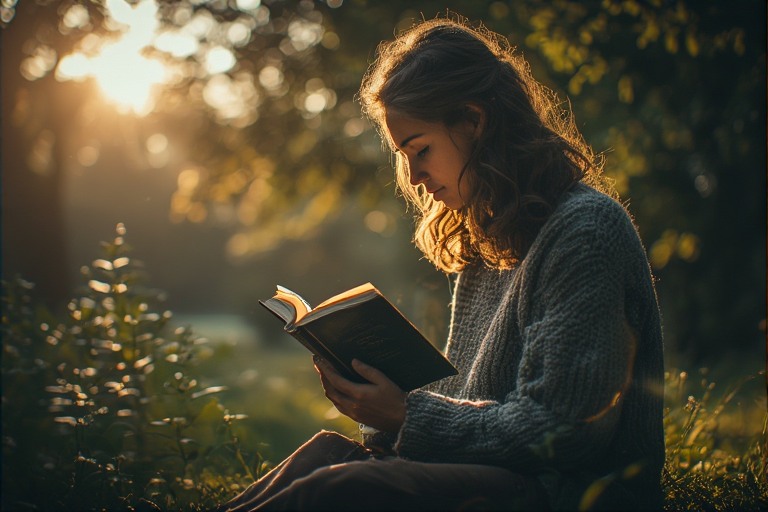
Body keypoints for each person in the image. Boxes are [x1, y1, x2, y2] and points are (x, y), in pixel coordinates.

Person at [216, 15, 665, 511]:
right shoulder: (489, 238)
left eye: (420, 148)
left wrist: (406, 416)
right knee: (322, 454)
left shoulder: (585, 232)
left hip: (566, 492)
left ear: (474, 121)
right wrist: (379, 409)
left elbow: (562, 432)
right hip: (491, 475)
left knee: (342, 490)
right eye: (402, 154)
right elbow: (462, 400)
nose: (412, 175)